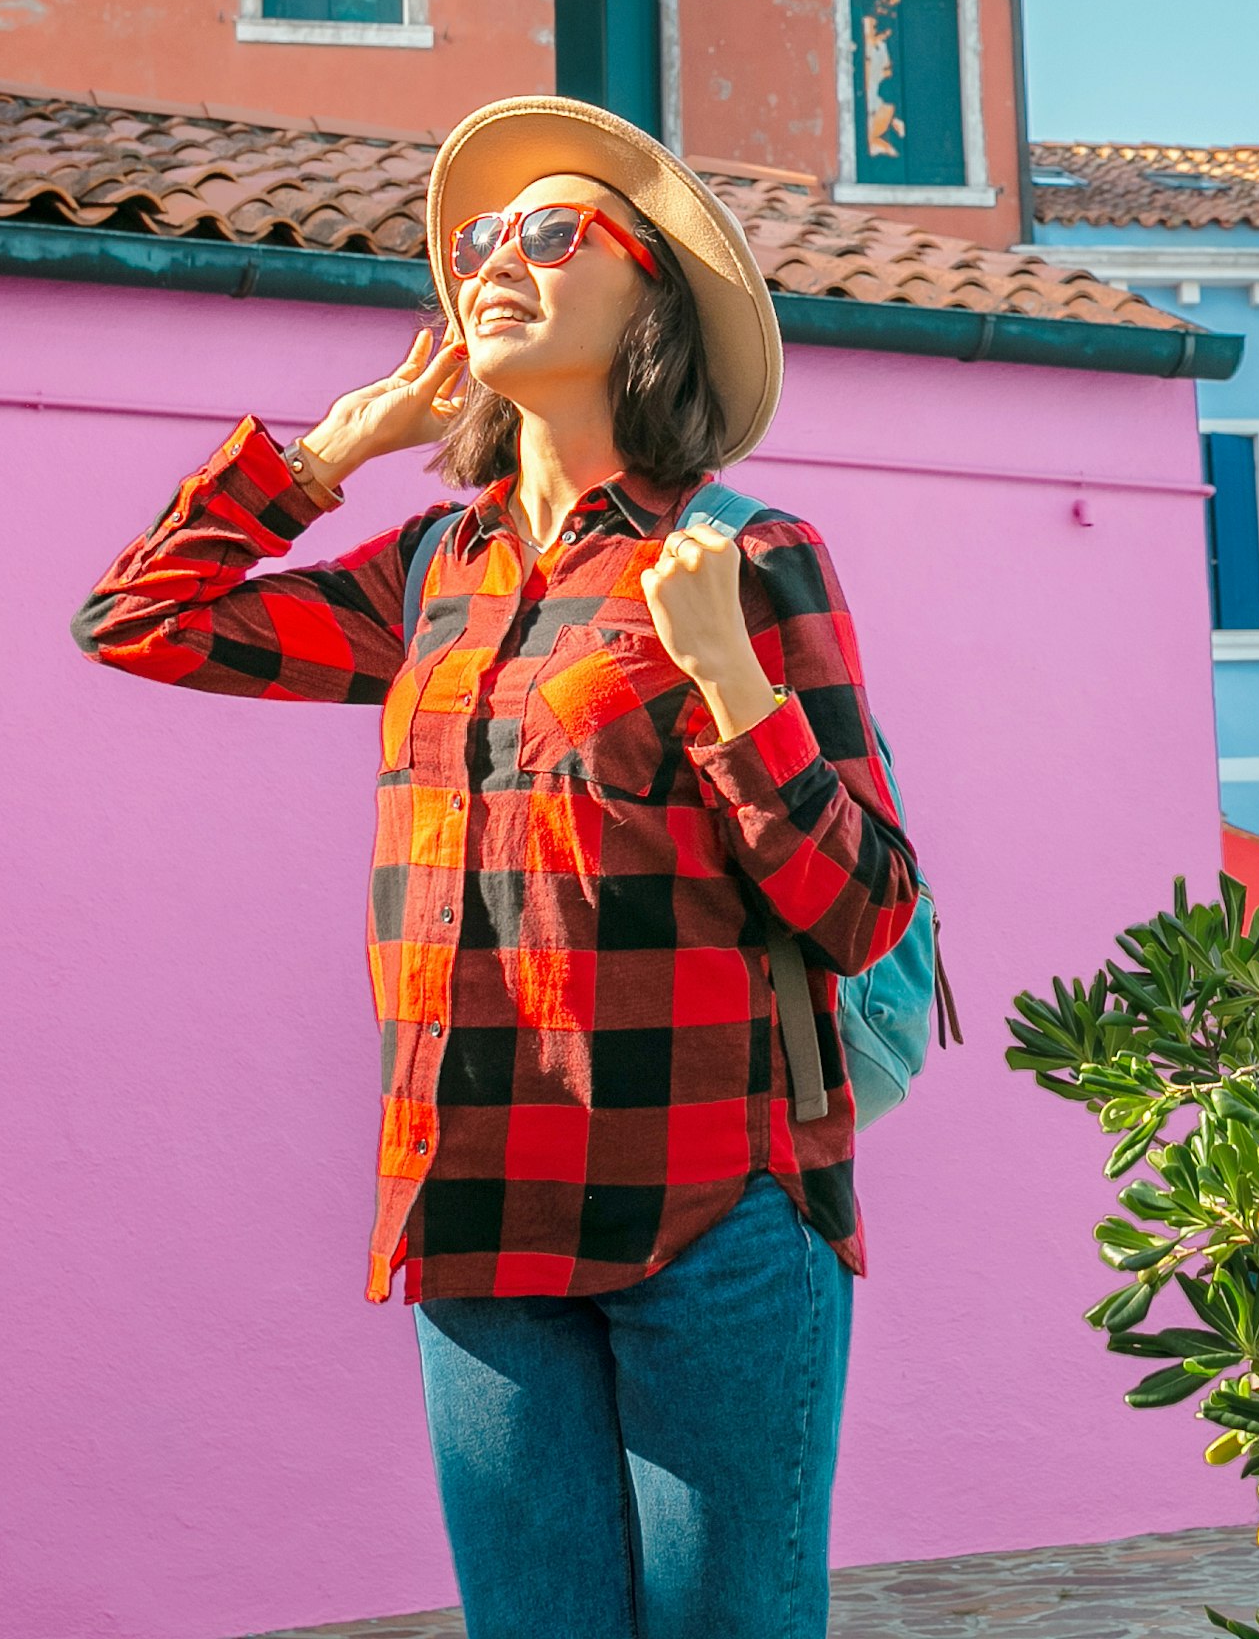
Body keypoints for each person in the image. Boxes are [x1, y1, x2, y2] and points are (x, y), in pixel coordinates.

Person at [74, 94, 919, 1639]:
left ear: (648, 291)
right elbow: (142, 625)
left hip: (712, 1212)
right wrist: (333, 452)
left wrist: (732, 680)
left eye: (550, 230)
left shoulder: (746, 556)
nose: (494, 259)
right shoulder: (430, 572)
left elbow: (865, 905)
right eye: (474, 241)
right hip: (480, 1210)